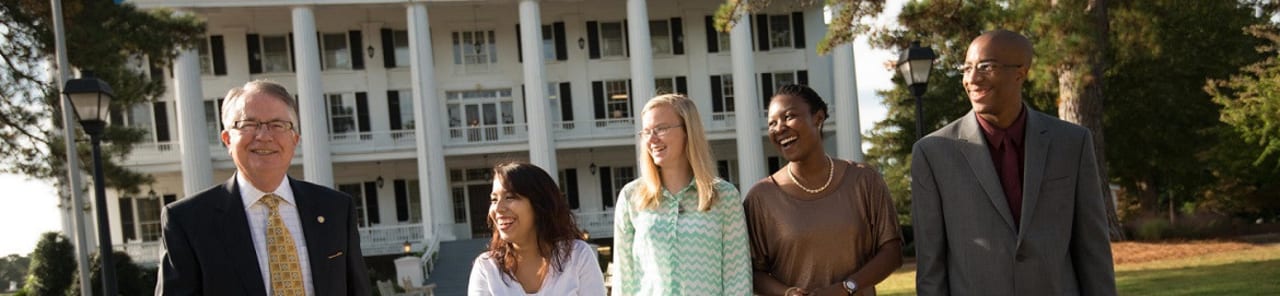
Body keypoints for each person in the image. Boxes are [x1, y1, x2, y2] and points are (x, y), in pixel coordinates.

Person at [910, 30, 1116, 296]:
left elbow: (1093, 249)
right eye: (967, 68)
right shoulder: (933, 153)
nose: (972, 78)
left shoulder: (1072, 143)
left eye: (986, 66)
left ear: (1020, 72)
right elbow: (930, 266)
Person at [155, 80, 370, 296]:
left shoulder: (335, 209)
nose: (264, 136)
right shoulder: (188, 221)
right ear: (227, 139)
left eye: (277, 125)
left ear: (294, 139)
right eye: (249, 124)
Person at [745, 84, 903, 296]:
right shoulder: (761, 198)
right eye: (772, 123)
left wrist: (846, 288)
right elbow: (752, 271)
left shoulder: (864, 180)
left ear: (818, 118)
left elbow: (892, 252)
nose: (779, 128)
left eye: (789, 116)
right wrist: (787, 293)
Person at [612, 94, 751, 295]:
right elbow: (623, 279)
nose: (652, 139)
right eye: (646, 131)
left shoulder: (724, 196)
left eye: (661, 128)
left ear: (688, 131)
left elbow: (737, 277)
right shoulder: (631, 196)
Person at [468, 162, 607, 295]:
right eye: (494, 200)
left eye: (509, 197)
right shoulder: (487, 268)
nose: (498, 208)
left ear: (539, 204)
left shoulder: (577, 256)